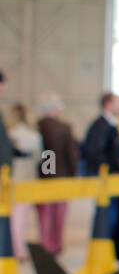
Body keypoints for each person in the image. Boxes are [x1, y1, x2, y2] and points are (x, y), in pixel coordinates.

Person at [82, 93, 119, 262]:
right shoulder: (101, 125)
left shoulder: (109, 124)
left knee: (111, 214)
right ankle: (103, 252)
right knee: (107, 214)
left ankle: (108, 251)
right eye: (117, 103)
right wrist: (112, 169)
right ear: (108, 104)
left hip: (111, 176)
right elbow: (95, 152)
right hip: (107, 178)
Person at [35, 95, 77, 256]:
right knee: (60, 213)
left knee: (45, 213)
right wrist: (72, 174)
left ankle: (46, 244)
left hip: (45, 176)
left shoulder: (39, 126)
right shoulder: (63, 127)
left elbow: (46, 153)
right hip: (61, 176)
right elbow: (69, 154)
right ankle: (56, 244)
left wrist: (47, 172)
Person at [7, 104, 41, 262]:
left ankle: (11, 248)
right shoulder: (34, 135)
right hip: (27, 179)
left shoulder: (8, 134)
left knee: (11, 216)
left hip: (10, 179)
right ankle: (18, 250)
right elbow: (41, 158)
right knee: (21, 217)